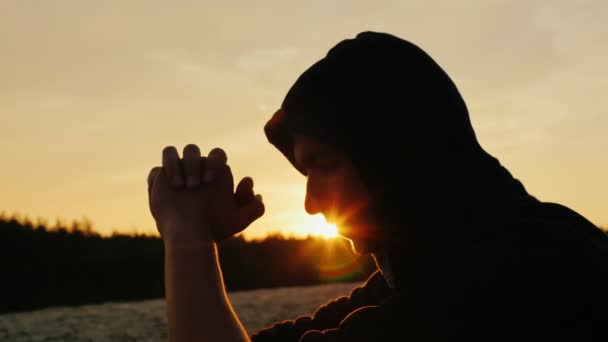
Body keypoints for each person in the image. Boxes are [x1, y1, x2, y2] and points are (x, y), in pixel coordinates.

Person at [147, 31, 608, 341]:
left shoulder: (513, 278)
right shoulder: (439, 266)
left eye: (323, 165)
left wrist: (187, 235)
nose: (310, 203)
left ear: (393, 151)